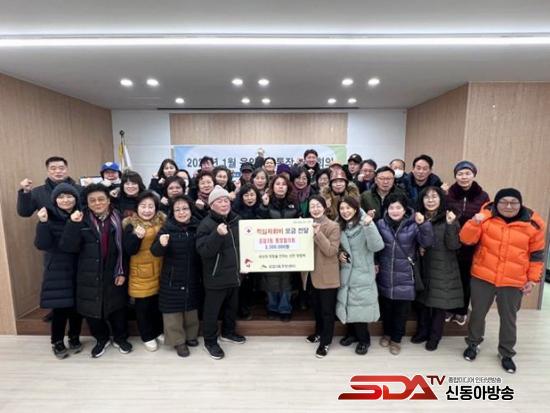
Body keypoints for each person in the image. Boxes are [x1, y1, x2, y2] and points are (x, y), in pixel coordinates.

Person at [460, 188, 546, 374]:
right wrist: (474, 222)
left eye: (513, 202)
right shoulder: (485, 218)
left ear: (520, 204)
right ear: (496, 203)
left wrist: (532, 279)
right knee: (477, 313)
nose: (508, 206)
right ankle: (473, 343)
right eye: (503, 202)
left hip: (514, 280)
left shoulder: (534, 225)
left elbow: (537, 255)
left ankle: (506, 353)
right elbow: (466, 240)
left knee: (509, 318)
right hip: (483, 276)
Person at [59, 184, 132, 358]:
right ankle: (101, 339)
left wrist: (122, 271)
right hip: (89, 273)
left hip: (114, 270)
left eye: (101, 199)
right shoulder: (81, 219)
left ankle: (120, 338)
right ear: (87, 203)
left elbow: (125, 249)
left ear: (108, 200)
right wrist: (73, 224)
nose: (97, 203)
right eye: (92, 200)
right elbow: (68, 247)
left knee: (118, 308)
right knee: (92, 310)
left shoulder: (120, 218)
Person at [376, 193, 434, 355]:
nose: (395, 211)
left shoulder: (413, 225)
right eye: (391, 207)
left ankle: (396, 339)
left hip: (406, 275)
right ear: (387, 209)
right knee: (386, 309)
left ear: (405, 209)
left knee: (401, 312)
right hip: (385, 274)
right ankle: (387, 334)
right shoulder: (381, 224)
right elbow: (375, 247)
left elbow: (427, 242)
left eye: (398, 207)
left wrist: (424, 224)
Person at [34, 183, 83, 359]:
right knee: (60, 309)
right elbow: (42, 244)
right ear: (55, 200)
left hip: (79, 267)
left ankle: (74, 337)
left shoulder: (82, 215)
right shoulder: (48, 216)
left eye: (69, 196)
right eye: (61, 197)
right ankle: (57, 341)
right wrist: (43, 223)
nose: (65, 200)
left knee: (77, 307)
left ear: (76, 198)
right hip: (58, 270)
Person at [196, 185, 245, 360]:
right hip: (215, 277)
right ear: (211, 205)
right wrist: (217, 234)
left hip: (235, 274)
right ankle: (210, 341)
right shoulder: (206, 224)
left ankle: (228, 332)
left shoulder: (237, 220)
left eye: (226, 200)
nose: (224, 204)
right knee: (212, 311)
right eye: (219, 201)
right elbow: (204, 251)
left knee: (232, 307)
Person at [412, 187, 463, 351]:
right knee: (423, 302)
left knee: (439, 304)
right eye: (426, 197)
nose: (430, 200)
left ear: (441, 199)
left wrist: (450, 225)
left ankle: (434, 337)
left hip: (443, 266)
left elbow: (454, 245)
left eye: (434, 196)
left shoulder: (449, 217)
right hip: (423, 265)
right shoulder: (418, 217)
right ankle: (422, 332)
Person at [151, 195, 202, 358]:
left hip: (192, 274)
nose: (181, 212)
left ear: (191, 210)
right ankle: (178, 341)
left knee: (191, 308)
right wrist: (161, 244)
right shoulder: (167, 227)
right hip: (172, 277)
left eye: (185, 209)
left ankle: (191, 335)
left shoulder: (197, 226)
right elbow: (155, 251)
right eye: (177, 209)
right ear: (172, 212)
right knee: (172, 310)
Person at [335, 196, 384, 356]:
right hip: (346, 272)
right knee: (348, 304)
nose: (345, 211)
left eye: (348, 208)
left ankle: (364, 339)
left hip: (362, 273)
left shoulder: (365, 222)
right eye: (342, 208)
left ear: (355, 208)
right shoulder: (339, 225)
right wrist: (339, 253)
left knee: (360, 307)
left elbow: (377, 246)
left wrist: (369, 225)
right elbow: (336, 246)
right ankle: (352, 334)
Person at [445, 161, 490, 325]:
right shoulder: (448, 193)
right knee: (449, 277)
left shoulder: (483, 196)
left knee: (465, 278)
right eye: (460, 174)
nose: (463, 177)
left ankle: (461, 311)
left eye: (467, 173)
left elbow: (487, 216)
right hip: (450, 241)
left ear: (474, 175)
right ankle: (448, 309)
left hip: (471, 244)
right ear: (455, 176)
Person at [122, 191, 166, 351]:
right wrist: (136, 237)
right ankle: (147, 336)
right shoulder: (131, 225)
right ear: (137, 208)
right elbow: (129, 250)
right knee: (143, 308)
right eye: (143, 206)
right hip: (141, 273)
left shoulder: (162, 222)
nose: (147, 210)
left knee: (157, 305)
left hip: (160, 270)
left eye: (150, 206)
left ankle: (158, 331)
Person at [302, 196, 341, 358]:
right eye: (312, 206)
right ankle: (319, 333)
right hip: (310, 275)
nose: (315, 209)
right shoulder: (304, 224)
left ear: (325, 207)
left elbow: (331, 251)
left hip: (327, 276)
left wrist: (318, 233)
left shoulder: (333, 226)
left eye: (318, 205)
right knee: (317, 309)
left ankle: (325, 342)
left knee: (327, 312)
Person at [258, 174, 299, 321]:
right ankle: (272, 307)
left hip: (289, 248)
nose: (280, 187)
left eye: (283, 184)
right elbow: (258, 222)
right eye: (277, 184)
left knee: (287, 279)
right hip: (269, 247)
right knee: (271, 278)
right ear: (272, 187)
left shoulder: (294, 203)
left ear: (288, 187)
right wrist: (264, 206)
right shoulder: (266, 202)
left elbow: (299, 221)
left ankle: (285, 308)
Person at [232, 184, 262, 320]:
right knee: (242, 282)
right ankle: (241, 308)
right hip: (240, 251)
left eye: (252, 195)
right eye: (246, 195)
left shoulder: (261, 209)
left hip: (258, 250)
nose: (249, 198)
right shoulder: (235, 211)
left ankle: (250, 304)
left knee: (253, 281)